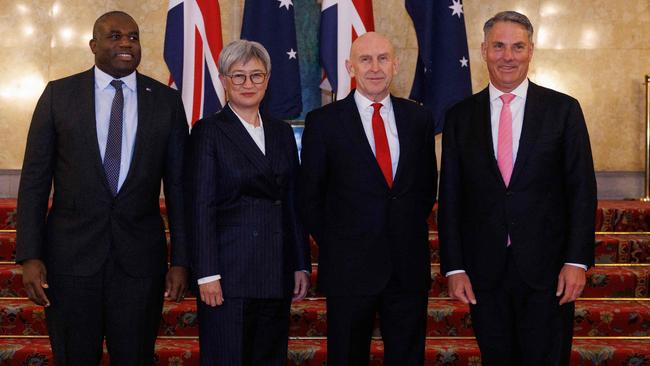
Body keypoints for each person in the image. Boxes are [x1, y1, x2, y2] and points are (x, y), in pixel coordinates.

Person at [15, 11, 188, 365]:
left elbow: (179, 188)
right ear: (93, 45)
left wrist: (182, 260)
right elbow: (34, 181)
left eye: (134, 37)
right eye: (115, 36)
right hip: (71, 263)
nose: (126, 43)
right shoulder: (58, 96)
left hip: (140, 266)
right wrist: (30, 256)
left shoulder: (166, 102)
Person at [438, 11, 597, 366]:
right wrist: (454, 267)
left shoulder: (563, 110)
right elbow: (450, 197)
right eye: (498, 46)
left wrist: (576, 260)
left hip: (549, 272)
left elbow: (581, 190)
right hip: (483, 272)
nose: (507, 56)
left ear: (531, 51)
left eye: (517, 47)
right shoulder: (459, 117)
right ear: (483, 50)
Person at [298, 32, 438, 365]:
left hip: (407, 268)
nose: (375, 67)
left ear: (396, 64)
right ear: (350, 66)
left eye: (383, 58)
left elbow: (424, 188)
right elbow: (310, 196)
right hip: (349, 270)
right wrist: (340, 244)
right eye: (365, 59)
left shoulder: (418, 119)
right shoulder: (324, 122)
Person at [187, 39, 311, 366]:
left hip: (277, 270)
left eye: (256, 75)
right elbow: (200, 206)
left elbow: (291, 203)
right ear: (224, 81)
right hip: (228, 273)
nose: (248, 84)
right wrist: (206, 273)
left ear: (268, 80)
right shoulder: (208, 131)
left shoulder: (282, 132)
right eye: (238, 76)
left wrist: (300, 262)